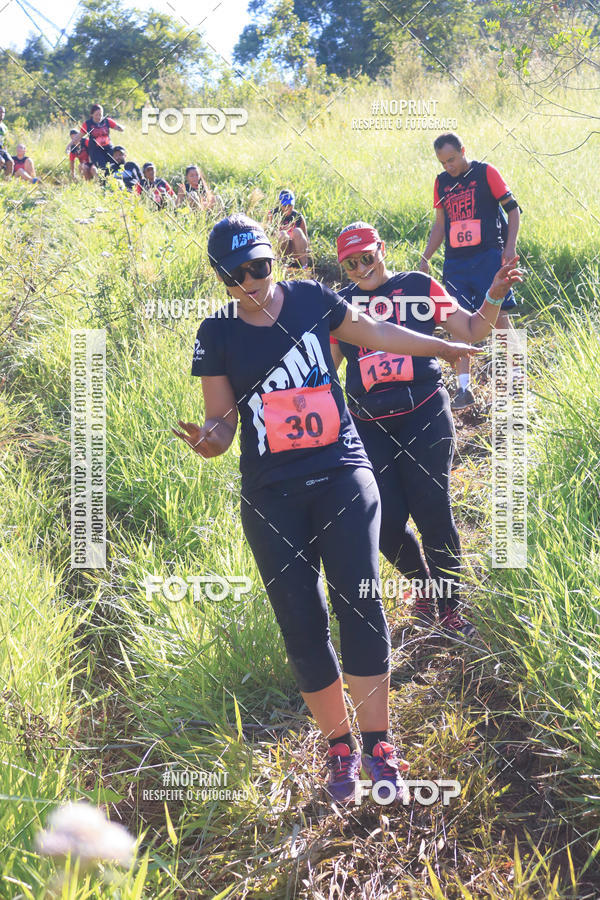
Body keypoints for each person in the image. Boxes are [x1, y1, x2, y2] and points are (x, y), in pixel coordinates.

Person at [172, 214, 482, 804]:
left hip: (342, 472)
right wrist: (210, 440)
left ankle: (379, 744)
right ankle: (339, 748)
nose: (252, 281)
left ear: (274, 259)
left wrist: (443, 346)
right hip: (270, 493)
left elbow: (380, 334)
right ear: (221, 278)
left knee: (359, 602)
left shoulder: (314, 299)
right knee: (302, 623)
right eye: (236, 275)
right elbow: (221, 421)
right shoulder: (217, 334)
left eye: (260, 267)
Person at [331, 221, 523, 638]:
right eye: (350, 264)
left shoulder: (417, 285)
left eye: (367, 256)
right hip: (368, 424)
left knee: (432, 510)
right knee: (382, 522)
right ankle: (423, 586)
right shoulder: (340, 304)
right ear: (342, 268)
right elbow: (327, 372)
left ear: (381, 248)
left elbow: (472, 330)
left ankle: (451, 607)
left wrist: (494, 292)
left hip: (423, 413)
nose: (361, 268)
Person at [420, 133, 521, 410]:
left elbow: (513, 210)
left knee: (500, 318)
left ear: (463, 150)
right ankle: (463, 388)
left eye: (452, 159)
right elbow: (440, 225)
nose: (448, 166)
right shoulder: (441, 183)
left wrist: (509, 248)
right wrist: (426, 255)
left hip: (488, 255)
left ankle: (515, 378)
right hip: (456, 262)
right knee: (456, 321)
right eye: (443, 162)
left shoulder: (486, 172)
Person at [268, 189, 310, 268]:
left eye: (290, 205)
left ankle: (305, 266)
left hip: (295, 250)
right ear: (280, 204)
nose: (288, 208)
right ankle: (282, 265)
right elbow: (268, 236)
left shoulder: (298, 216)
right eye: (285, 206)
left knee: (297, 231)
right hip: (279, 250)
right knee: (283, 234)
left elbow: (305, 238)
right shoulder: (272, 215)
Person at [80, 103, 124, 176]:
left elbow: (118, 127)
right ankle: (104, 184)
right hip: (96, 150)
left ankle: (116, 182)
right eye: (96, 114)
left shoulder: (107, 121)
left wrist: (121, 128)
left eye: (100, 114)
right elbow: (79, 135)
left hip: (108, 147)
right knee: (103, 168)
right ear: (92, 115)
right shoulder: (87, 124)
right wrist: (69, 145)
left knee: (114, 165)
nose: (99, 117)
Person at [0, 106, 13, 177]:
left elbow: (5, 141)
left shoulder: (5, 127)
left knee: (10, 162)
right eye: (0, 112)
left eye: (3, 112)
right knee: (1, 161)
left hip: (2, 149)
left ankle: (6, 181)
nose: (1, 114)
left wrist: (6, 152)